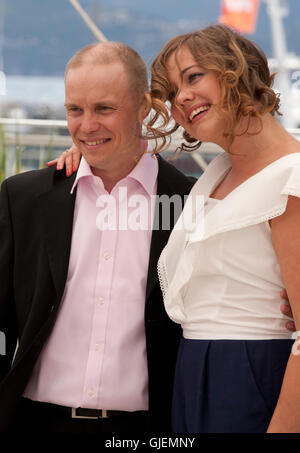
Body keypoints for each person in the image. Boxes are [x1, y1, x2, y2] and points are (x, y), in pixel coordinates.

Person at [0, 42, 195, 433]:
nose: (87, 125)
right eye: (76, 109)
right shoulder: (22, 198)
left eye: (104, 108)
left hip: (147, 430)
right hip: (34, 423)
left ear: (142, 107)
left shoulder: (188, 203)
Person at [149, 24, 300, 433]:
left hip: (252, 379)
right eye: (171, 92)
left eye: (194, 77)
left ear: (238, 70)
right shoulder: (217, 173)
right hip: (194, 374)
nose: (180, 98)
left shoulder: (292, 180)